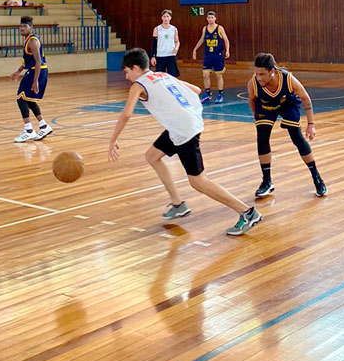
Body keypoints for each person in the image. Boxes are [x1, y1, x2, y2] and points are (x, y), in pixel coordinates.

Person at [108, 48, 262, 236]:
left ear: (135, 68)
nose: (126, 77)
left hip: (183, 130)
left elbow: (127, 114)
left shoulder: (138, 85)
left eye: (126, 72)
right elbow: (196, 90)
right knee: (152, 156)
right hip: (185, 123)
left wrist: (113, 140)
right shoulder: (162, 75)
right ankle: (177, 204)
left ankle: (247, 212)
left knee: (198, 182)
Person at [248, 53, 327, 199]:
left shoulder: (288, 79)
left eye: (262, 74)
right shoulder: (253, 83)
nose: (259, 78)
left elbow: (306, 99)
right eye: (256, 73)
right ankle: (266, 181)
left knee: (297, 138)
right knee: (262, 136)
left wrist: (311, 124)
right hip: (266, 106)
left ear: (272, 71)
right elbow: (252, 100)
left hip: (287, 104)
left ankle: (317, 178)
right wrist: (257, 118)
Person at [10, 15, 53, 142]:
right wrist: (18, 71)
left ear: (31, 27)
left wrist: (35, 82)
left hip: (37, 71)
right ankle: (43, 126)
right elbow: (27, 61)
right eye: (20, 26)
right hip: (34, 70)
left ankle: (29, 130)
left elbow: (38, 61)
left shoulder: (33, 41)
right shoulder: (28, 39)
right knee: (28, 99)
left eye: (25, 26)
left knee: (20, 97)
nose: (22, 28)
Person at [192, 11, 229, 103]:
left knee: (218, 75)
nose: (210, 19)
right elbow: (202, 39)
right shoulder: (205, 28)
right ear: (206, 19)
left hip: (218, 55)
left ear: (215, 18)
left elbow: (226, 40)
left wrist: (227, 50)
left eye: (212, 17)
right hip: (208, 55)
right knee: (205, 74)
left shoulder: (219, 28)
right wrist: (195, 49)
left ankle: (220, 94)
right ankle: (207, 93)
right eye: (208, 17)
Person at [151, 9, 180, 76]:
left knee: (173, 75)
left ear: (170, 17)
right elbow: (154, 44)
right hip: (160, 55)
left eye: (167, 16)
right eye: (164, 16)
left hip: (171, 55)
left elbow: (177, 41)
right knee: (160, 76)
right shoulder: (157, 29)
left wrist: (176, 48)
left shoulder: (174, 29)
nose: (166, 18)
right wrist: (153, 56)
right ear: (161, 18)